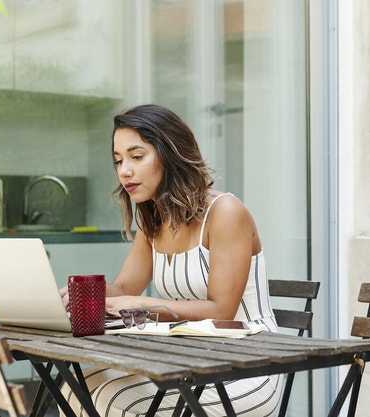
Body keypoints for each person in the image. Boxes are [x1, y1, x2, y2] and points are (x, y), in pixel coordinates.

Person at [58, 104, 281, 416]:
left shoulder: (226, 212)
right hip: (187, 359)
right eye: (119, 160)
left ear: (171, 154)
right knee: (76, 384)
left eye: (136, 156)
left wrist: (142, 305)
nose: (124, 170)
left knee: (114, 400)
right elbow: (124, 287)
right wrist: (80, 294)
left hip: (247, 364)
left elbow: (222, 310)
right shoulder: (154, 220)